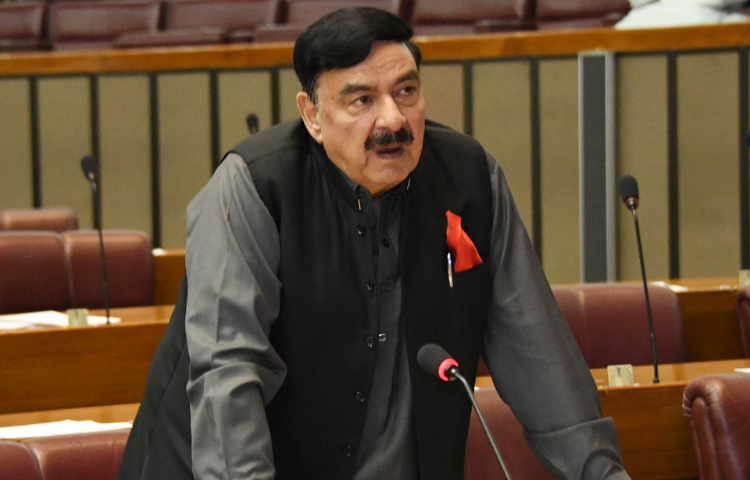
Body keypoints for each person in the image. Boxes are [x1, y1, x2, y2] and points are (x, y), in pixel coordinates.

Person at [116, 7, 631, 480]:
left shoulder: (469, 177)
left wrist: (602, 475)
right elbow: (228, 373)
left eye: (406, 92)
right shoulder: (255, 186)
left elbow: (535, 347)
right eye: (362, 100)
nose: (393, 120)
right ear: (312, 115)